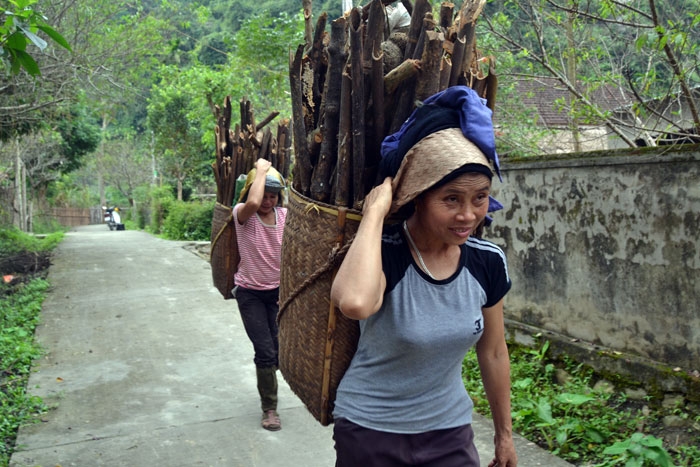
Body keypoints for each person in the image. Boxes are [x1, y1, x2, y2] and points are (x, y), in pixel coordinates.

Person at [329, 86, 518, 466]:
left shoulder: (487, 263)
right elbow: (355, 302)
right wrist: (375, 214)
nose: (468, 215)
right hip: (370, 430)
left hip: (449, 431)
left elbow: (494, 351)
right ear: (418, 196)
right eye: (451, 199)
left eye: (479, 197)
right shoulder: (384, 252)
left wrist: (504, 436)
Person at [232, 158, 287, 431]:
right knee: (265, 352)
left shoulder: (285, 217)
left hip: (277, 294)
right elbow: (253, 204)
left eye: (273, 196)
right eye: (263, 194)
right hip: (250, 294)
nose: (267, 201)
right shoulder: (243, 214)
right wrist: (262, 171)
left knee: (276, 350)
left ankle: (268, 388)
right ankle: (270, 409)